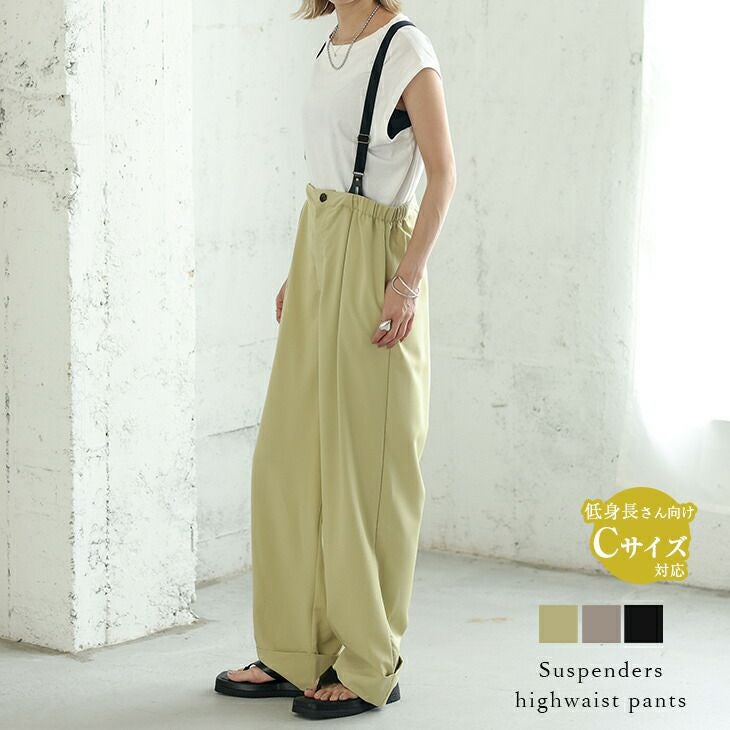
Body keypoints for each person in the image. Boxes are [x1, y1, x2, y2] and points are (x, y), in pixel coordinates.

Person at [214, 0, 456, 720]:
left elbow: (443, 175)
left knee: (364, 474)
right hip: (319, 244)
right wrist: (304, 269)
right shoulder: (331, 44)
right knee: (288, 463)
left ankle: (371, 663)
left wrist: (405, 282)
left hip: (377, 255)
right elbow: (326, 178)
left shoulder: (406, 49)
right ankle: (294, 650)